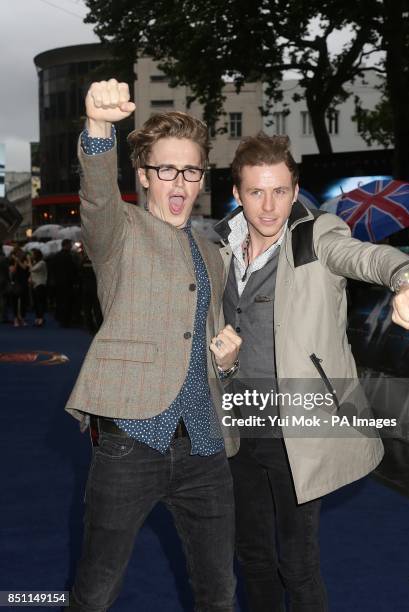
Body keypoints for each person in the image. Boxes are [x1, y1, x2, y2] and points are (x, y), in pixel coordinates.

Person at [214, 133, 409, 612]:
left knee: (297, 563)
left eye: (279, 191)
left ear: (295, 192)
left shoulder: (317, 236)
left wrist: (408, 278)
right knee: (251, 556)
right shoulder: (220, 247)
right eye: (256, 192)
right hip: (237, 423)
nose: (269, 206)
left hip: (300, 426)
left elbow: (365, 257)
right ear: (237, 194)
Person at [64, 79, 241, 612]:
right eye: (166, 169)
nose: (180, 180)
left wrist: (226, 364)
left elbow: (205, 347)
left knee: (219, 592)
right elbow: (96, 196)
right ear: (143, 177)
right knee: (96, 591)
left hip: (205, 446)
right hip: (130, 441)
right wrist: (98, 129)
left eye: (191, 170)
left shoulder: (213, 253)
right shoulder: (119, 232)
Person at [53, 238, 79, 327]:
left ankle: (61, 319)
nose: (71, 246)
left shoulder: (56, 256)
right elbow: (73, 270)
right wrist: (75, 281)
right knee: (68, 301)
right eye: (70, 244)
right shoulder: (69, 256)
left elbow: (53, 270)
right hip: (68, 282)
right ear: (67, 245)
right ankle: (67, 320)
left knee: (60, 300)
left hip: (58, 282)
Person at [9, 245, 29, 327]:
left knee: (23, 301)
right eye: (17, 253)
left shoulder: (24, 259)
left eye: (20, 252)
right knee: (15, 301)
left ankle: (22, 318)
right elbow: (12, 271)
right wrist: (16, 262)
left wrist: (18, 261)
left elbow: (24, 267)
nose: (19, 254)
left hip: (23, 282)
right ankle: (16, 319)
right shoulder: (11, 260)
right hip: (15, 282)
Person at [28, 248, 47, 326]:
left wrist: (29, 261)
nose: (31, 256)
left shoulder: (42, 263)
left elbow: (32, 269)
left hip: (40, 284)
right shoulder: (35, 262)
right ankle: (38, 317)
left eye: (32, 254)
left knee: (40, 302)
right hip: (34, 284)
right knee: (36, 303)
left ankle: (41, 318)